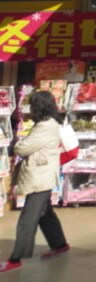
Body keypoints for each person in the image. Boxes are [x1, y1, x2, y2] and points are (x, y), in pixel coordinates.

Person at [0, 92, 70, 274]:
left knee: (27, 220)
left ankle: (15, 259)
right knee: (46, 214)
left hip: (41, 177)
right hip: (45, 175)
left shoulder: (45, 126)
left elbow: (22, 148)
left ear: (39, 107)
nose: (30, 110)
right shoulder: (51, 123)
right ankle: (60, 244)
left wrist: (18, 143)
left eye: (32, 106)